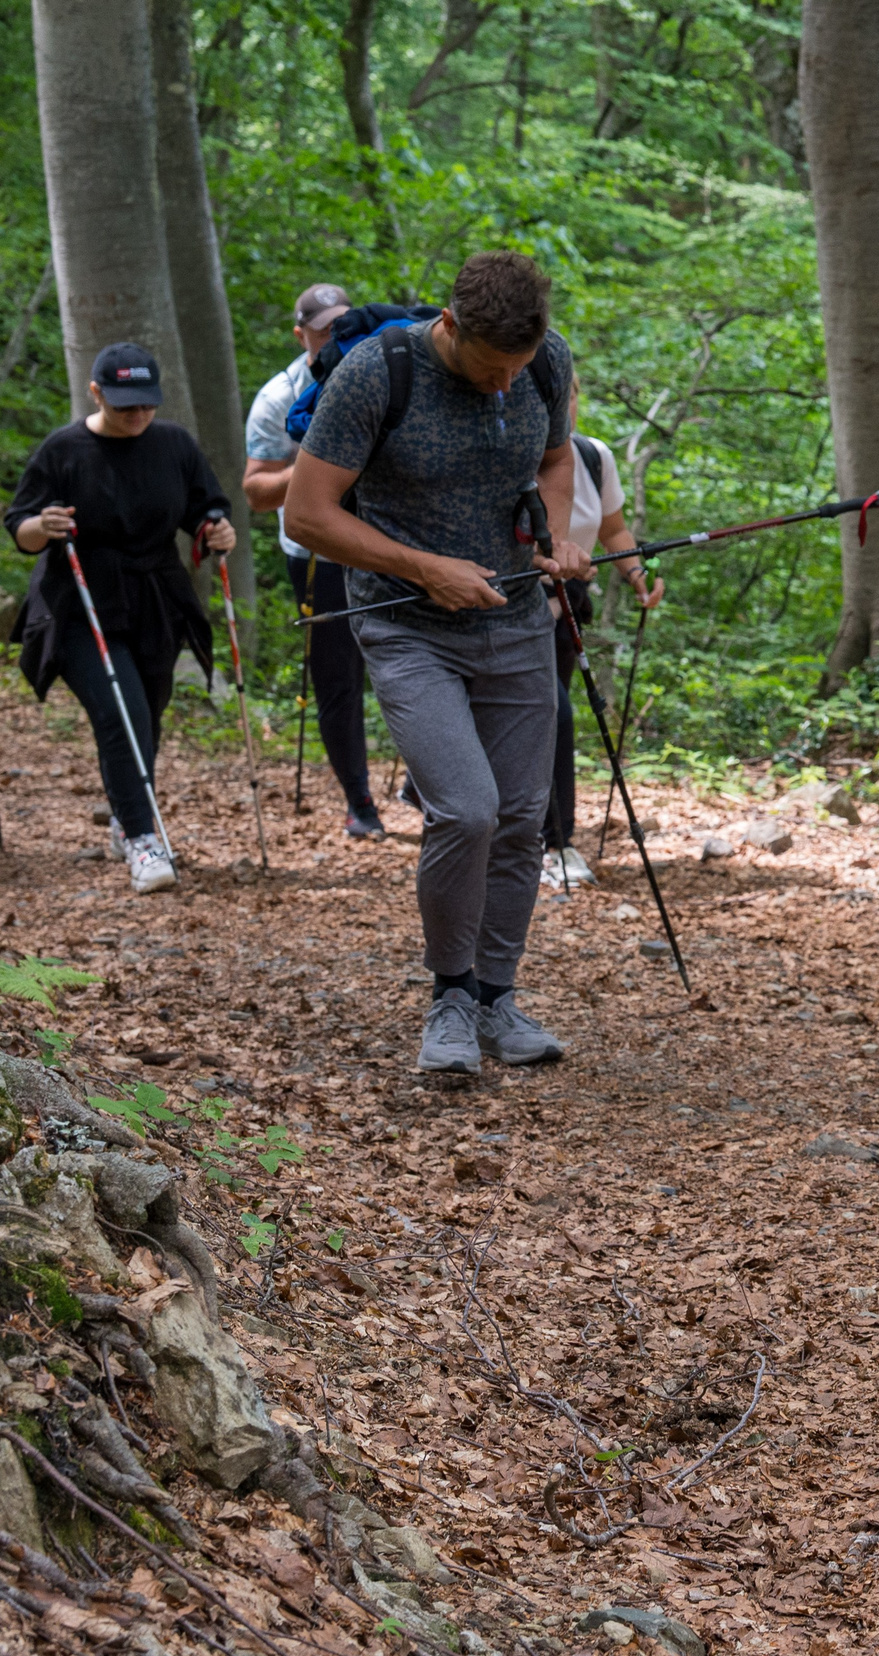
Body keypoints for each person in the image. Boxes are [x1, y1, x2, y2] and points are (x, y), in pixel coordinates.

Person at [286, 251, 594, 1075]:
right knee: (466, 809)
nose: (504, 386)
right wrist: (424, 567)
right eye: (492, 369)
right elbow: (307, 513)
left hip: (518, 617)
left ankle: (498, 998)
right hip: (405, 623)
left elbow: (557, 458)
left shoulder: (546, 360)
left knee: (524, 816)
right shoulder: (374, 375)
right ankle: (450, 998)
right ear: (451, 328)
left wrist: (556, 539)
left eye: (517, 370)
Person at [4, 343, 235, 894]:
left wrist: (214, 528)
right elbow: (20, 527)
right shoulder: (63, 450)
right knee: (121, 714)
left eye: (146, 405)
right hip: (79, 602)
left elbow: (205, 505)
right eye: (124, 405)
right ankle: (141, 836)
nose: (137, 416)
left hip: (155, 598)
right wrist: (45, 524)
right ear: (96, 393)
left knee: (148, 713)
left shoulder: (173, 444)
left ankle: (123, 817)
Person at [244, 283, 383, 838]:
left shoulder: (380, 369)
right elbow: (255, 492)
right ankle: (360, 800)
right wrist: (315, 461)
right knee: (338, 678)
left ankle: (419, 788)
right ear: (301, 334)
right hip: (315, 555)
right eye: (323, 328)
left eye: (342, 324)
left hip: (382, 544)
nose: (334, 336)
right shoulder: (280, 398)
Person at [542, 377, 657, 889]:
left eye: (570, 394)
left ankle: (545, 838)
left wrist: (636, 578)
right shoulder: (511, 458)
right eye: (552, 396)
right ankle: (555, 843)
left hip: (568, 609)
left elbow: (613, 530)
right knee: (552, 716)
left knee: (548, 714)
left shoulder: (593, 456)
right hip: (508, 611)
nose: (563, 405)